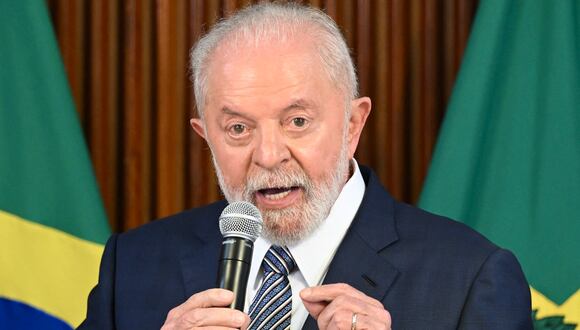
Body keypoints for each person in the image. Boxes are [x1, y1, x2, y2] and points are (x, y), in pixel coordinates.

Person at [80, 2, 532, 329]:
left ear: (353, 125)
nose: (269, 154)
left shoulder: (472, 277)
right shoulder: (132, 268)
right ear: (206, 137)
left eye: (297, 121)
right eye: (238, 129)